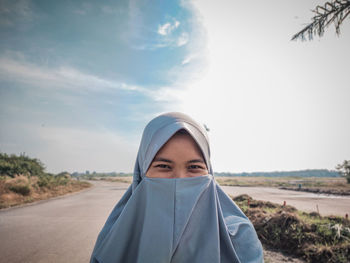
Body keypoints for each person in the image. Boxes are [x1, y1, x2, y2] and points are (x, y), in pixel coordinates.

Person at [90, 112, 264, 263]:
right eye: (164, 167)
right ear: (142, 172)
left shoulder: (239, 239)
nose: (179, 180)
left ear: (209, 171)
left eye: (194, 167)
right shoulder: (115, 239)